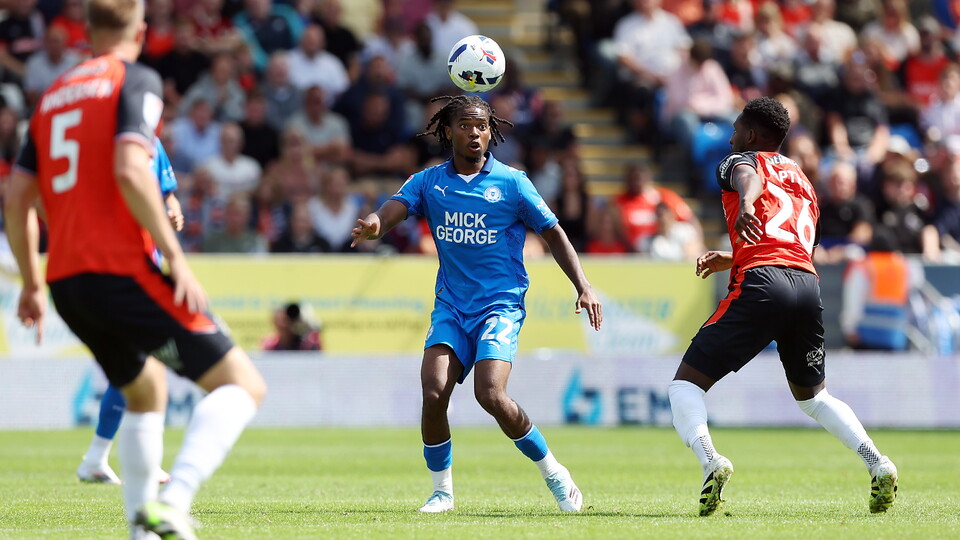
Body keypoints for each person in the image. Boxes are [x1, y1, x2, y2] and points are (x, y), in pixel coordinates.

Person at [5, 2, 266, 538]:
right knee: (242, 384)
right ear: (141, 32)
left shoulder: (51, 97)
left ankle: (141, 529)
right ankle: (177, 499)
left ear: (89, 31)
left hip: (65, 283)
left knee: (146, 388)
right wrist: (175, 257)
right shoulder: (136, 79)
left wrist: (31, 283)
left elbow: (17, 198)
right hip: (120, 269)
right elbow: (130, 167)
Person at [351, 95, 602, 513]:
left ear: (491, 132)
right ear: (447, 131)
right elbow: (392, 209)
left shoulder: (513, 183)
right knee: (433, 391)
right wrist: (376, 224)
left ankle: (555, 473)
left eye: (482, 126)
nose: (475, 133)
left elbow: (554, 234)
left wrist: (584, 284)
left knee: (490, 394)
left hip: (499, 306)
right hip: (451, 306)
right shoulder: (430, 182)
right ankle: (442, 492)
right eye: (466, 126)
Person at [667, 97, 898, 518]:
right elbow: (795, 244)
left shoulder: (739, 160)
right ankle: (877, 461)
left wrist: (749, 202)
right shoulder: (805, 182)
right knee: (814, 397)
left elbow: (747, 177)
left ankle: (710, 461)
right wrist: (731, 255)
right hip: (806, 285)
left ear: (752, 135)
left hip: (762, 284)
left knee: (684, 386)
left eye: (737, 127)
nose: (732, 135)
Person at [76, 136, 184, 486]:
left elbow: (166, 190)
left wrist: (172, 206)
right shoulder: (108, 142)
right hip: (121, 268)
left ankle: (97, 458)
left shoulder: (150, 141)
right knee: (143, 368)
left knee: (137, 369)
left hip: (146, 266)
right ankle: (126, 462)